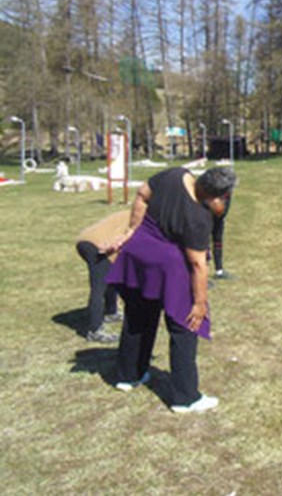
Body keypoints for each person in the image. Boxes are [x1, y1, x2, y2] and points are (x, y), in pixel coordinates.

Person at [105, 166, 237, 412]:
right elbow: (198, 264)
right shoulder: (199, 218)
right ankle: (185, 398)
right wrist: (199, 304)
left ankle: (129, 375)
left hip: (137, 255)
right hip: (166, 266)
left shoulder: (175, 174)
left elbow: (142, 195)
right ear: (219, 196)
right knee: (185, 326)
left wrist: (132, 230)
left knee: (138, 316)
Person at [76, 210, 130, 343]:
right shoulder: (141, 218)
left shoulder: (132, 213)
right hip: (96, 245)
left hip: (88, 240)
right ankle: (95, 330)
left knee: (110, 275)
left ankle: (112, 311)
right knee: (99, 287)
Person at [211, 192, 233, 279]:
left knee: (218, 240)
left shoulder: (226, 184)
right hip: (208, 215)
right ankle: (201, 276)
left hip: (219, 218)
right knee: (203, 245)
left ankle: (219, 271)